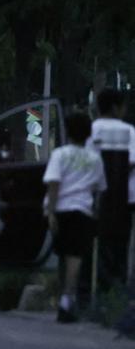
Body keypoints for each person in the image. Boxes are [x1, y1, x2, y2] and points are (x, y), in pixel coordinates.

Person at [44, 111, 106, 323]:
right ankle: (67, 300)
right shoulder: (95, 158)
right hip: (83, 210)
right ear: (88, 134)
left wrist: (51, 211)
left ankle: (64, 298)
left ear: (68, 131)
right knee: (75, 257)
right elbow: (99, 188)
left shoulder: (60, 154)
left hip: (61, 210)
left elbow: (54, 184)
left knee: (63, 255)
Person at [89, 88, 135, 290]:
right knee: (121, 244)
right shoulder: (129, 131)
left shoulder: (91, 130)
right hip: (126, 195)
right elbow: (132, 161)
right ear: (116, 107)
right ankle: (120, 287)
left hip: (98, 196)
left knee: (102, 244)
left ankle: (101, 289)